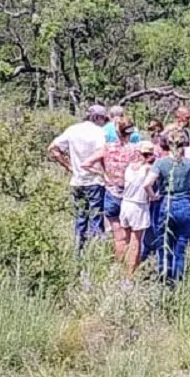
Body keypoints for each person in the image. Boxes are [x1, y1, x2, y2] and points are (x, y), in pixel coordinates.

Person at [48, 104, 110, 251]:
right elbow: (103, 154)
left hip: (77, 181)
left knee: (80, 217)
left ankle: (79, 250)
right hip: (95, 180)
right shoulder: (99, 133)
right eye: (103, 119)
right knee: (96, 217)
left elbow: (53, 148)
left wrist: (69, 166)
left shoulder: (73, 130)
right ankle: (95, 252)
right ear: (98, 117)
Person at [81, 117, 140, 263]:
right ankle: (130, 270)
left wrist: (103, 174)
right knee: (132, 235)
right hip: (129, 195)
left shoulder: (107, 148)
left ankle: (119, 267)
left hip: (111, 193)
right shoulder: (135, 151)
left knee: (118, 237)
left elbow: (86, 164)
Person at [148, 133, 190, 286]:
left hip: (166, 203)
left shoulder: (160, 163)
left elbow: (146, 183)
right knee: (181, 247)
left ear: (168, 144)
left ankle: (165, 278)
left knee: (164, 245)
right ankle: (179, 281)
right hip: (184, 204)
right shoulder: (189, 164)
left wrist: (153, 196)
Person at [119, 142, 157, 278]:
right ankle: (130, 274)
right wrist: (154, 196)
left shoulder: (129, 167)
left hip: (125, 203)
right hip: (138, 205)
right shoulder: (148, 168)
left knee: (125, 239)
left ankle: (122, 268)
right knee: (136, 241)